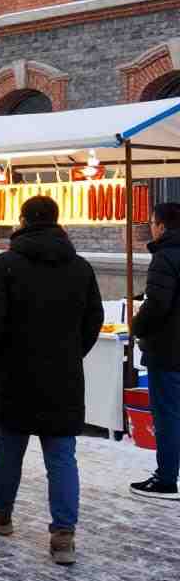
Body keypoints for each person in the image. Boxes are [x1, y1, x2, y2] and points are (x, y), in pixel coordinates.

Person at [0, 195, 103, 566]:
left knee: (9, 448)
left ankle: (1, 513)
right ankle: (63, 535)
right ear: (56, 221)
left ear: (22, 221)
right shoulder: (80, 267)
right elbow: (92, 320)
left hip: (14, 374)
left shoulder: (6, 265)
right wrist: (70, 353)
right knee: (62, 456)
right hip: (62, 376)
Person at [130, 201, 180, 501]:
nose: (151, 228)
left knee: (168, 415)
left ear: (161, 226)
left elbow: (157, 304)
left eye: (151, 223)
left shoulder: (165, 258)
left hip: (169, 349)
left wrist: (137, 325)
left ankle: (165, 479)